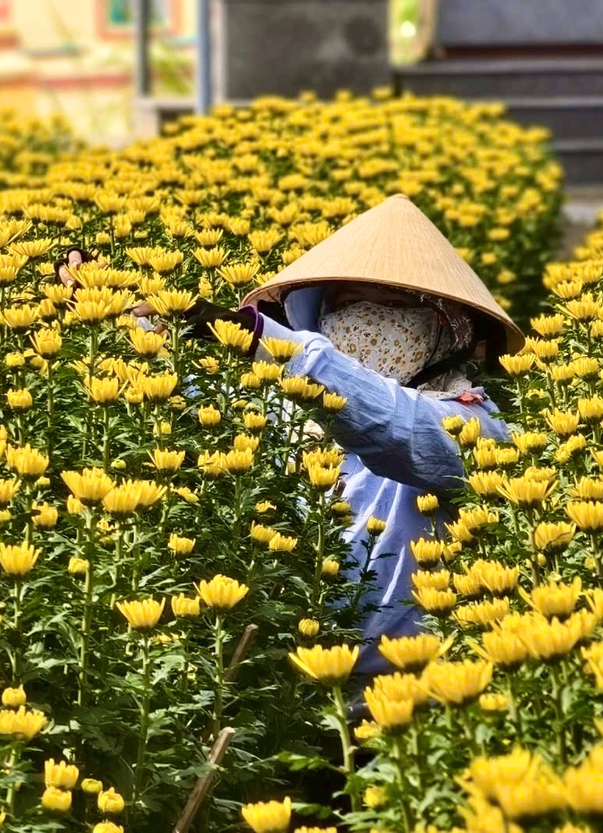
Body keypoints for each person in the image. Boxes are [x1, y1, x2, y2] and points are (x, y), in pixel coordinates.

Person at [134, 194, 522, 677]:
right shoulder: (288, 410)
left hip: (413, 698)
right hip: (288, 696)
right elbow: (199, 408)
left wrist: (264, 340)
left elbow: (393, 423)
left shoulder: (474, 425)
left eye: (397, 306)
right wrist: (133, 327)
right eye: (350, 304)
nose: (368, 319)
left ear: (450, 332)